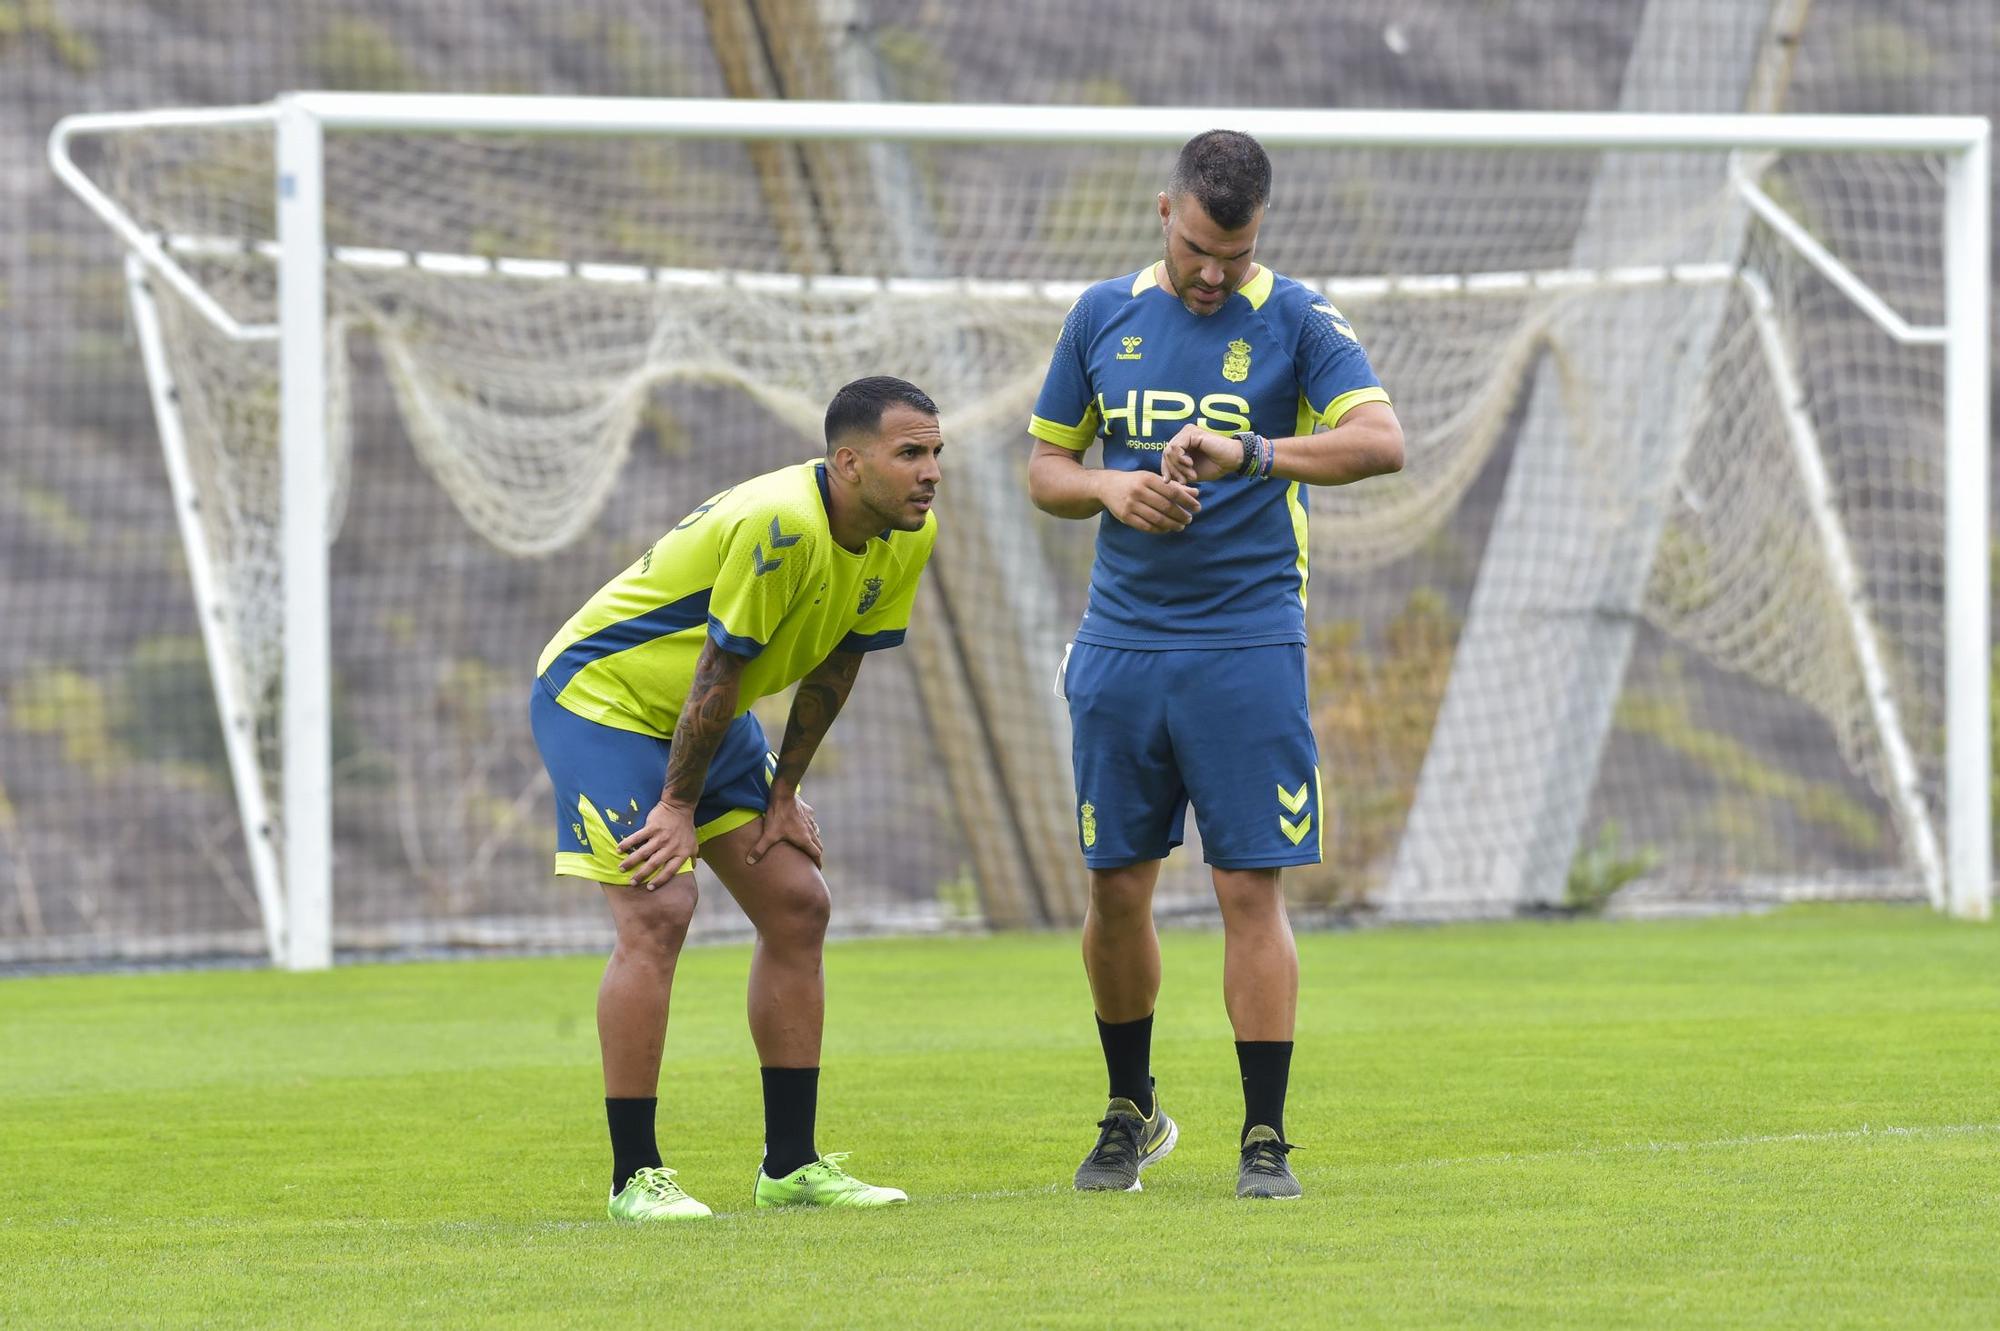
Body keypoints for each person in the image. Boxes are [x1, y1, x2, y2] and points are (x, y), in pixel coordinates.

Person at [1025, 131, 1405, 1199]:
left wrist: (1253, 450)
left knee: (1248, 885)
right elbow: (1045, 467)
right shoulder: (1101, 314)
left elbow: (1381, 441)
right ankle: (1128, 1109)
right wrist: (1109, 487)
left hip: (1245, 642)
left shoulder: (1296, 317)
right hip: (1119, 645)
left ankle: (1264, 1136)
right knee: (1113, 886)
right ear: (1163, 213)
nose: (1210, 272)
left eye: (1231, 255)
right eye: (1196, 248)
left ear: (1257, 237)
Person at [532, 375, 943, 1221]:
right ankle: (633, 1177)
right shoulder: (782, 522)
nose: (930, 471)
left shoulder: (909, 533)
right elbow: (718, 670)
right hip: (603, 699)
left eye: (936, 453)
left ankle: (790, 1165)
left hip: (703, 713)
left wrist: (784, 790)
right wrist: (676, 806)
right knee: (660, 909)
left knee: (797, 903)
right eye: (910, 453)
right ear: (848, 461)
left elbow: (840, 660)